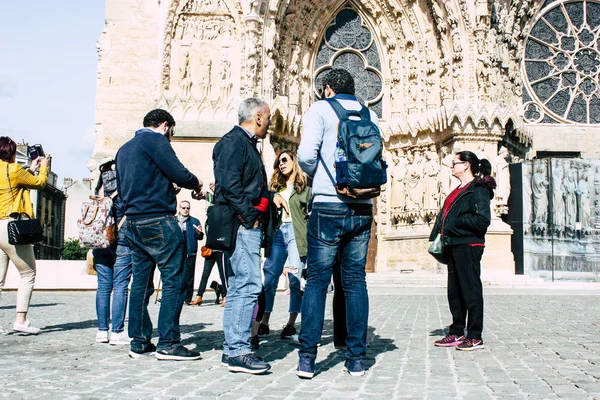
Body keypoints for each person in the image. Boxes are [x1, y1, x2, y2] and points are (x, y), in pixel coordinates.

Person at [296, 69, 377, 378]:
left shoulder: (319, 109)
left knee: (317, 281)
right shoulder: (368, 113)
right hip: (362, 205)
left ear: (328, 88)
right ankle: (356, 359)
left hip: (328, 204)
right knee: (355, 281)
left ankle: (307, 359)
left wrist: (321, 174)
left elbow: (305, 155)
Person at [116, 109, 204, 361]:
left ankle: (139, 341)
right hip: (158, 221)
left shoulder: (123, 149)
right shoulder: (156, 141)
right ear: (165, 125)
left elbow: (125, 190)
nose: (171, 138)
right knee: (174, 280)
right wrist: (195, 183)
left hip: (133, 222)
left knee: (140, 284)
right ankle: (168, 342)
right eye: (172, 133)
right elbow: (178, 172)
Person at [213, 97, 275, 374]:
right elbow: (228, 185)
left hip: (245, 223)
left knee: (241, 285)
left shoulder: (244, 143)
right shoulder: (234, 142)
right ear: (258, 116)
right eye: (268, 117)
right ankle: (238, 350)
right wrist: (249, 218)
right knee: (248, 284)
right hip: (241, 225)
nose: (270, 122)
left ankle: (233, 348)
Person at [429, 150, 496, 351]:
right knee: (455, 292)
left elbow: (483, 220)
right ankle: (457, 331)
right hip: (454, 244)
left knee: (470, 290)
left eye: (455, 163)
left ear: (466, 165)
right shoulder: (459, 189)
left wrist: (455, 223)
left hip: (468, 244)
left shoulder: (478, 189)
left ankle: (475, 336)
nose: (452, 166)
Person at [259, 150, 311, 340]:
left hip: (296, 234)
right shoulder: (274, 188)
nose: (281, 164)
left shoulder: (303, 188)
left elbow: (311, 209)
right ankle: (264, 321)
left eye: (284, 160)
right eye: (278, 162)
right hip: (278, 234)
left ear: (293, 162)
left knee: (295, 278)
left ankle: (290, 323)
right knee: (270, 277)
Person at [0, 137, 49, 334]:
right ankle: (21, 320)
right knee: (28, 274)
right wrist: (43, 166)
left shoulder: (9, 171)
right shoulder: (13, 170)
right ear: (11, 152)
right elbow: (40, 183)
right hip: (11, 228)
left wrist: (30, 167)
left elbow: (14, 184)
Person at [93, 159, 133, 345]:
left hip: (100, 239)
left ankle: (102, 331)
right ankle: (117, 331)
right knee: (120, 286)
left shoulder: (100, 186)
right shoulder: (126, 183)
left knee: (103, 286)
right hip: (122, 238)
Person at [176, 200, 203, 305]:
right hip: (176, 252)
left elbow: (200, 237)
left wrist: (199, 233)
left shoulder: (194, 221)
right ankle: (175, 296)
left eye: (188, 208)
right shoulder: (174, 221)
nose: (186, 210)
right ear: (179, 208)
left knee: (189, 276)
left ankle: (187, 298)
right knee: (176, 275)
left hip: (190, 252)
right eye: (184, 208)